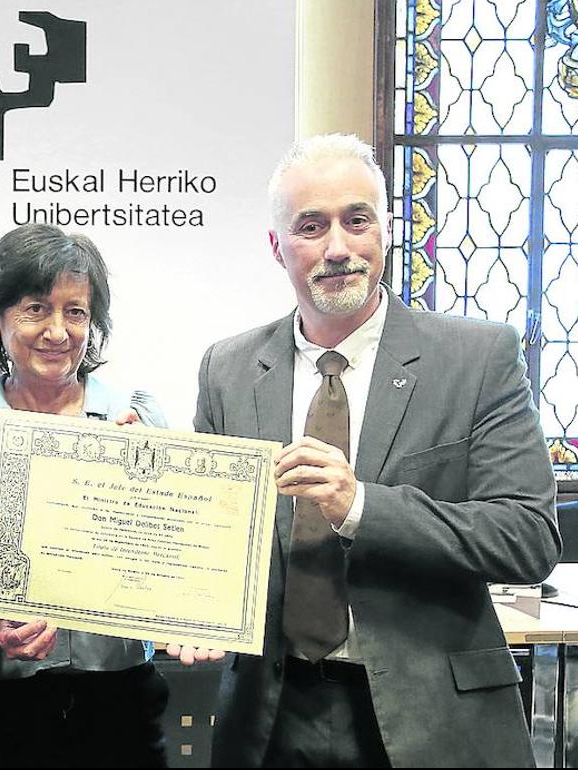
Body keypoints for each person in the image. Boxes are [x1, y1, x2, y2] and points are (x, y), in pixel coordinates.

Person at [199, 133, 559, 767]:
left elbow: (527, 537)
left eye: (356, 220)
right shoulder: (227, 369)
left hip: (434, 722)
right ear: (276, 246)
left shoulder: (477, 358)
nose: (338, 247)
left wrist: (361, 506)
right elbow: (210, 536)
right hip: (270, 720)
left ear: (387, 230)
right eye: (311, 226)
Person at [0, 223, 176, 768]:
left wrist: (143, 495)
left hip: (121, 698)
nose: (58, 331)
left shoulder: (135, 418)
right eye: (36, 309)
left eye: (76, 312)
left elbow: (166, 568)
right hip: (4, 702)